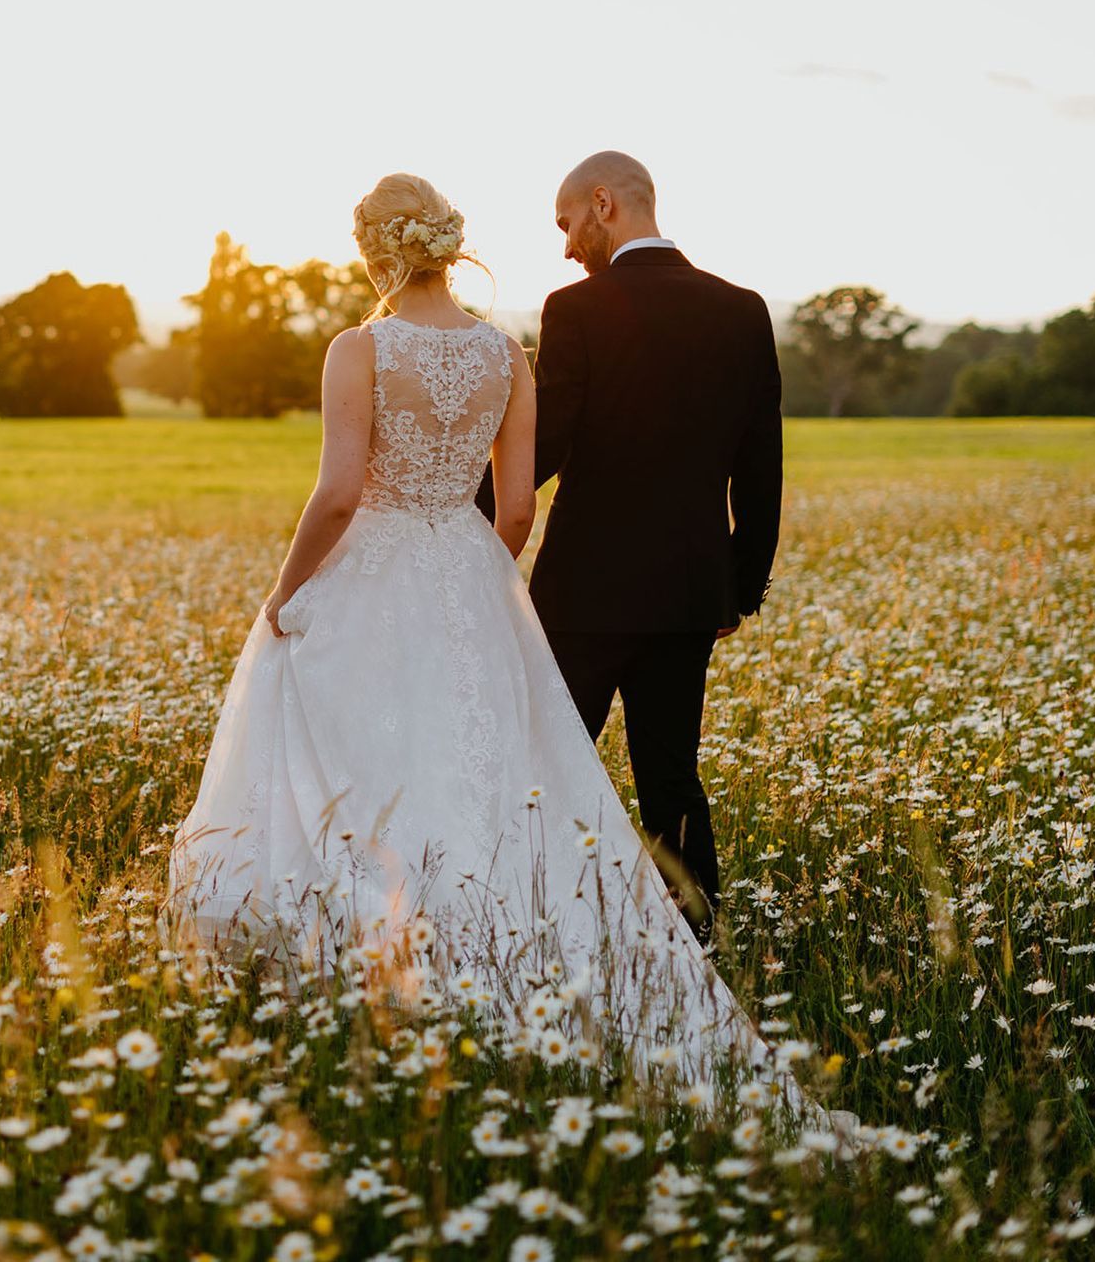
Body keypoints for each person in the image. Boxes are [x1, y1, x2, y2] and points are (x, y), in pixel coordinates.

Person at [167, 172, 811, 1106]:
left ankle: (373, 952)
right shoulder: (517, 351)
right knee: (523, 774)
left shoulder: (364, 347)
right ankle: (615, 944)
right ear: (444, 244)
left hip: (425, 578)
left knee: (390, 766)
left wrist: (287, 587)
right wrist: (464, 567)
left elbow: (343, 493)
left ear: (375, 251)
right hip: (525, 580)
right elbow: (519, 510)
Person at [473, 151, 783, 949]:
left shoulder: (578, 310)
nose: (567, 245)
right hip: (688, 595)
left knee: (548, 763)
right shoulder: (744, 310)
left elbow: (544, 443)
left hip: (584, 594)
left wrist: (449, 515)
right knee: (671, 773)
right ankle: (697, 936)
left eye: (567, 222)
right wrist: (738, 589)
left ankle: (542, 927)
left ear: (603, 205)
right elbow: (760, 465)